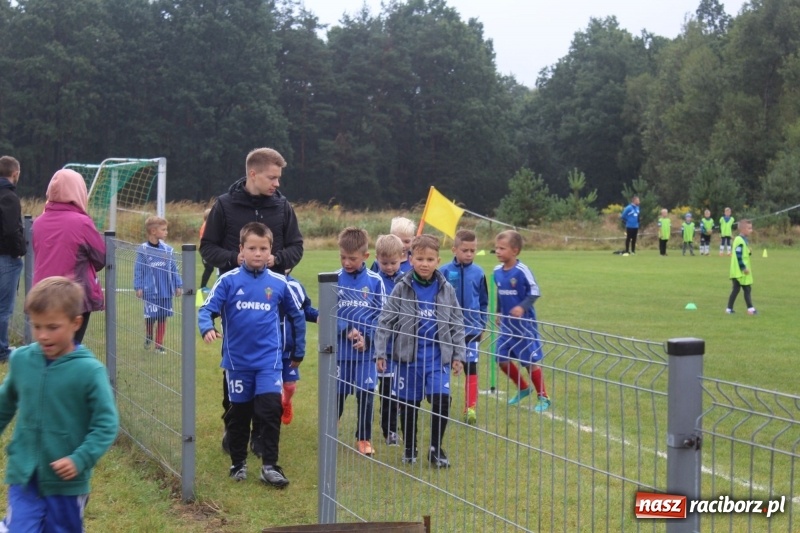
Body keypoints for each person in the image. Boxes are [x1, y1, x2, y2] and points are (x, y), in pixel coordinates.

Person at [199, 147, 304, 453]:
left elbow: (297, 246)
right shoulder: (226, 205)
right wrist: (237, 258)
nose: (277, 183)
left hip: (272, 300)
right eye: (272, 177)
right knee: (235, 366)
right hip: (236, 301)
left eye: (279, 177)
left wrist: (278, 259)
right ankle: (234, 428)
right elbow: (208, 248)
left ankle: (261, 435)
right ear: (253, 174)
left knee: (269, 366)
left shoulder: (282, 207)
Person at [0, 276, 118, 532]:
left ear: (76, 323)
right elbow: (5, 403)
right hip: (24, 474)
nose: (43, 335)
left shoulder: (89, 371)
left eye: (53, 327)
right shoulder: (22, 360)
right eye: (37, 326)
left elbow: (106, 424)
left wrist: (80, 458)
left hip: (67, 482)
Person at [198, 222, 306, 488]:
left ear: (271, 251)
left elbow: (297, 315)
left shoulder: (279, 283)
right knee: (240, 414)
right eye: (252, 248)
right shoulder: (228, 280)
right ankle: (238, 463)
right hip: (237, 363)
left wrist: (298, 350)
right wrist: (207, 328)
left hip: (269, 361)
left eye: (263, 249)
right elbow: (206, 310)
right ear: (241, 250)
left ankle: (270, 466)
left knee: (270, 410)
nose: (258, 254)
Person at [374, 234, 465, 468]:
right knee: (409, 405)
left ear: (438, 260)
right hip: (408, 361)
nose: (425, 263)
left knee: (442, 400)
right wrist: (381, 352)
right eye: (420, 258)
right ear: (410, 259)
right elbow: (385, 321)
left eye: (430, 259)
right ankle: (409, 446)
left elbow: (457, 324)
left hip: (437, 360)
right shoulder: (401, 288)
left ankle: (436, 449)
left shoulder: (446, 290)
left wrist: (458, 356)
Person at [32, 169, 105, 344]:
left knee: (47, 349)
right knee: (69, 351)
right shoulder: (82, 222)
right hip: (72, 297)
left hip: (42, 295)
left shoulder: (38, 222)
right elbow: (101, 257)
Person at [336, 227, 385, 456]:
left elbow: (382, 317)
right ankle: (330, 429)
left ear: (365, 256)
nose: (347, 262)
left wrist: (367, 338)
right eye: (343, 257)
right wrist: (346, 330)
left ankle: (363, 438)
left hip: (366, 354)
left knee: (366, 394)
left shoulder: (375, 281)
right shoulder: (333, 279)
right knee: (337, 394)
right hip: (341, 355)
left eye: (352, 258)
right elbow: (328, 312)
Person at [493, 230, 551, 412]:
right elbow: (499, 292)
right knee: (500, 358)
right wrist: (499, 312)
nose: (498, 251)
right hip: (507, 326)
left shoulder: (522, 271)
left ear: (515, 251)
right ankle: (523, 387)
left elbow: (535, 291)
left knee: (529, 362)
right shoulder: (496, 272)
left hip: (524, 327)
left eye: (502, 248)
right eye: (496, 248)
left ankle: (543, 397)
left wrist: (522, 307)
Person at [439, 229, 488, 425]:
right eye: (465, 250)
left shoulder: (479, 273)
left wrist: (481, 324)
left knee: (472, 368)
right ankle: (442, 400)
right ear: (454, 249)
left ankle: (470, 408)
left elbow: (483, 301)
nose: (469, 254)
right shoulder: (443, 271)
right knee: (443, 366)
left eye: (473, 250)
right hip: (447, 331)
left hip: (471, 330)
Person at [373, 233, 406, 445]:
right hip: (382, 344)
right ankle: (389, 430)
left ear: (402, 257)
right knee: (386, 391)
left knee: (401, 391)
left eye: (393, 263)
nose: (389, 267)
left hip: (403, 345)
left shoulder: (407, 280)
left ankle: (403, 426)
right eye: (384, 263)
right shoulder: (374, 280)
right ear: (376, 258)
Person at [134, 216, 183, 354]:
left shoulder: (168, 250)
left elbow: (173, 268)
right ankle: (149, 334)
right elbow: (139, 270)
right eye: (164, 229)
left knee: (163, 317)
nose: (166, 232)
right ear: (153, 231)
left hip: (166, 290)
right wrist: (138, 286)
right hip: (150, 291)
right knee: (151, 316)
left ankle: (159, 345)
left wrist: (178, 284)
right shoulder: (143, 250)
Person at [280, 272, 318, 426]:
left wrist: (317, 316)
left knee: (289, 385)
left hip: (288, 348)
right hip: (268, 347)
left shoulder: (295, 285)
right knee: (270, 388)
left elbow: (305, 309)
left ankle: (286, 402)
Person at [0, 155, 24, 363]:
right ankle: (1, 350)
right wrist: (20, 249)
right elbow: (10, 230)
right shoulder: (9, 197)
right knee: (3, 306)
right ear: (14, 174)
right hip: (6, 257)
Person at [726, 219, 756, 315]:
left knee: (737, 289)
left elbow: (743, 253)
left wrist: (749, 251)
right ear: (743, 229)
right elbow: (738, 255)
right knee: (746, 289)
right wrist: (743, 268)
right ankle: (750, 309)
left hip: (740, 271)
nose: (751, 230)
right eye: (749, 228)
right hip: (740, 271)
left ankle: (729, 309)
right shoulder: (739, 240)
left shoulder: (743, 240)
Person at [199, 207, 215, 291]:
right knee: (209, 268)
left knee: (210, 268)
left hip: (206, 249)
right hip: (206, 250)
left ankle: (204, 286)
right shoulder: (207, 225)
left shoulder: (206, 224)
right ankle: (202, 287)